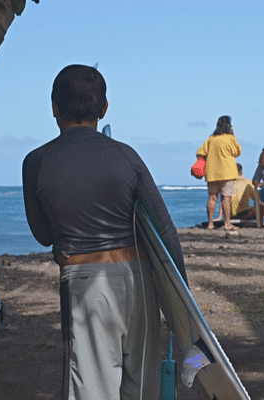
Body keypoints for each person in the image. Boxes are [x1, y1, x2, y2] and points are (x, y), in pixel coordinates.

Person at [22, 65, 187, 400]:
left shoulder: (36, 161)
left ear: (54, 106)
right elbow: (165, 229)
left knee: (91, 390)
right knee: (142, 390)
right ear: (104, 109)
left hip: (84, 282)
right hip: (139, 281)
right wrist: (181, 306)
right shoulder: (126, 155)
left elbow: (42, 234)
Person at [196, 115, 242, 230]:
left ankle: (210, 224)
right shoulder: (230, 138)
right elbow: (237, 152)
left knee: (212, 198)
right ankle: (227, 223)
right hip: (228, 172)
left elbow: (200, 152)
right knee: (226, 198)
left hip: (212, 172)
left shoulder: (211, 138)